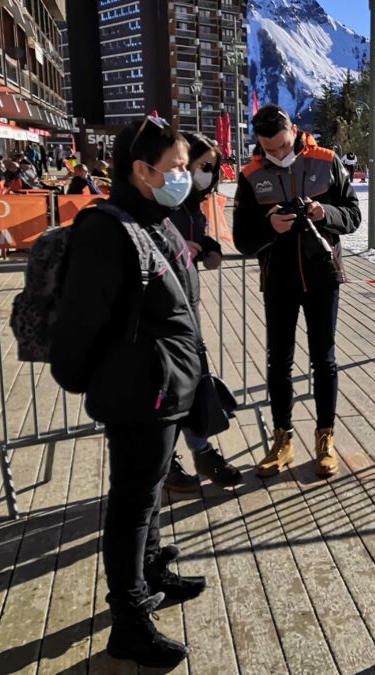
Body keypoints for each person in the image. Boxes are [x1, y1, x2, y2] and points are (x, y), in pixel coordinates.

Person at [49, 116, 206, 668]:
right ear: (142, 171)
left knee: (152, 487)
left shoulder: (154, 218)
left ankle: (152, 569)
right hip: (140, 391)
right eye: (178, 168)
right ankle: (129, 617)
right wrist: (87, 377)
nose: (187, 176)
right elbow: (80, 324)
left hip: (164, 386)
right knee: (132, 503)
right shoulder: (107, 230)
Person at [232, 104, 361, 479]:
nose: (277, 153)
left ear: (294, 132)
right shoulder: (251, 174)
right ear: (258, 144)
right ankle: (282, 438)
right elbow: (242, 239)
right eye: (269, 149)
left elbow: (353, 214)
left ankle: (326, 438)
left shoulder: (326, 160)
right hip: (279, 281)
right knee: (279, 361)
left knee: (325, 360)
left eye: (283, 145)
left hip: (323, 275)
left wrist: (326, 214)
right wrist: (270, 225)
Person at [161, 131, 242, 492]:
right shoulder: (161, 200)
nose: (208, 173)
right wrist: (178, 249)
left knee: (193, 385)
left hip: (187, 310)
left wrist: (208, 248)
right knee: (168, 392)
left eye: (212, 167)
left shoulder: (193, 205)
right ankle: (164, 464)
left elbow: (203, 260)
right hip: (158, 314)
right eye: (201, 165)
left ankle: (202, 450)